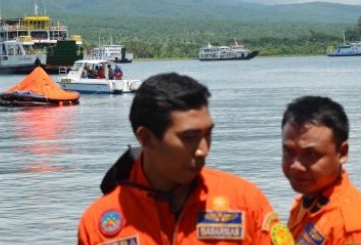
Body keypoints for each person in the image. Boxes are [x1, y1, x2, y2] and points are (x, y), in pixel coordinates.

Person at [78, 72, 293, 244]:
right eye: (189, 138)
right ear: (146, 138)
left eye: (207, 134)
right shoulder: (99, 224)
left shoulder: (244, 201)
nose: (203, 150)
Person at [281, 95, 361, 244]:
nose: (296, 165)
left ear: (342, 153)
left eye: (311, 154)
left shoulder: (351, 230)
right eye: (289, 151)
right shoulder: (309, 200)